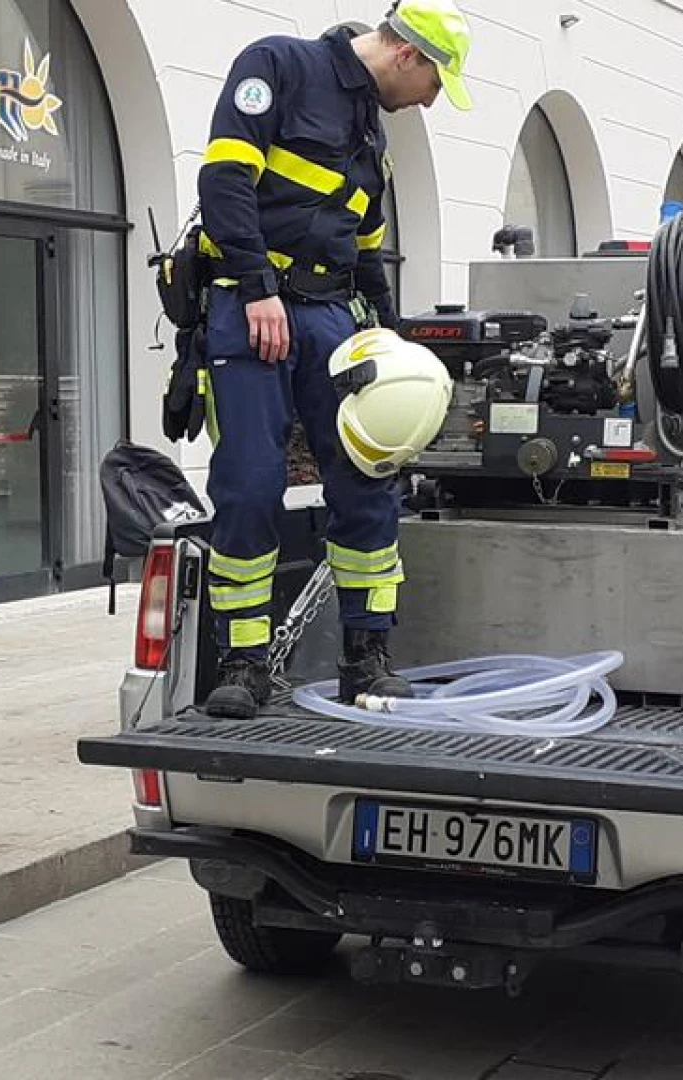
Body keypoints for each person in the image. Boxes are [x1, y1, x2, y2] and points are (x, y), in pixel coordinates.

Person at [196, 0, 473, 718]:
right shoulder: (279, 66)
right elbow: (224, 184)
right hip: (252, 305)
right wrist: (257, 289)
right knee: (252, 485)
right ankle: (244, 662)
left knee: (368, 475)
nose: (431, 103)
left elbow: (367, 247)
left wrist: (394, 338)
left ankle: (366, 658)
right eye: (437, 86)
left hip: (331, 316)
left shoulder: (370, 134)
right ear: (410, 56)